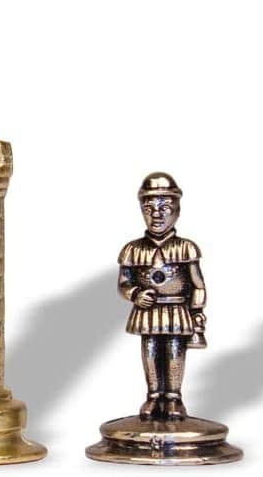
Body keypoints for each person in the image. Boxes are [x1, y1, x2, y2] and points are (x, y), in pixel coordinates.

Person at [117, 172, 206, 420]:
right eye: (149, 208)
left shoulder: (186, 248)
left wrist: (197, 312)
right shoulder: (133, 249)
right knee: (150, 351)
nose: (157, 215)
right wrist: (135, 293)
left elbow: (198, 285)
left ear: (177, 209)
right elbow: (124, 283)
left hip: (177, 310)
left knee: (175, 350)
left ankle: (174, 397)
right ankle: (154, 396)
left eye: (164, 207)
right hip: (148, 310)